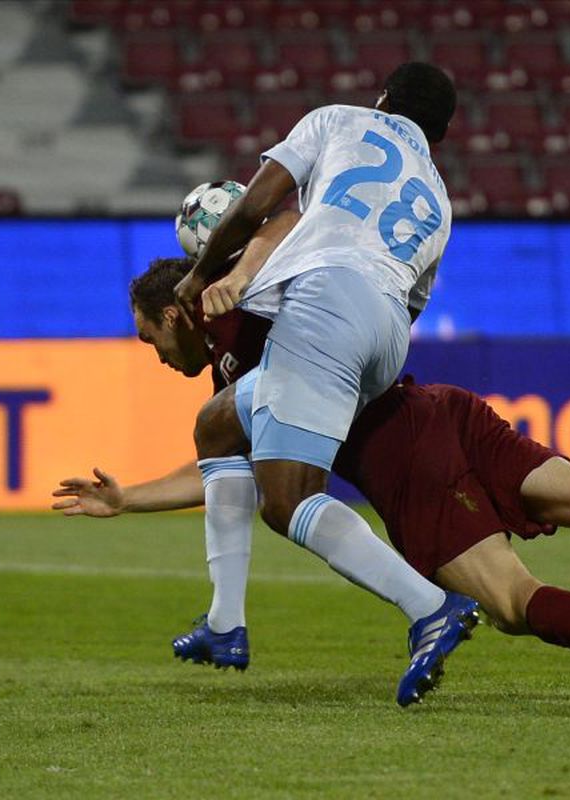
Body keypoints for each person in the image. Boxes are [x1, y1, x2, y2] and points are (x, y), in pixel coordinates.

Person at [53, 259, 570, 712]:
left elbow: (240, 469)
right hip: (441, 408)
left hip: (401, 459)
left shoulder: (244, 339)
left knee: (510, 602)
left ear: (175, 314)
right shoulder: (259, 328)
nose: (155, 356)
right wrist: (127, 498)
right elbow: (230, 476)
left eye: (151, 338)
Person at [164, 62, 471, 706]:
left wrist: (198, 276)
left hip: (327, 299)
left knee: (288, 501)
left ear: (382, 98)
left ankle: (430, 607)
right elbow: (415, 302)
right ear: (439, 134)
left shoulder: (338, 120)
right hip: (387, 330)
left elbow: (257, 206)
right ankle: (224, 623)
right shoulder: (440, 199)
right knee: (217, 425)